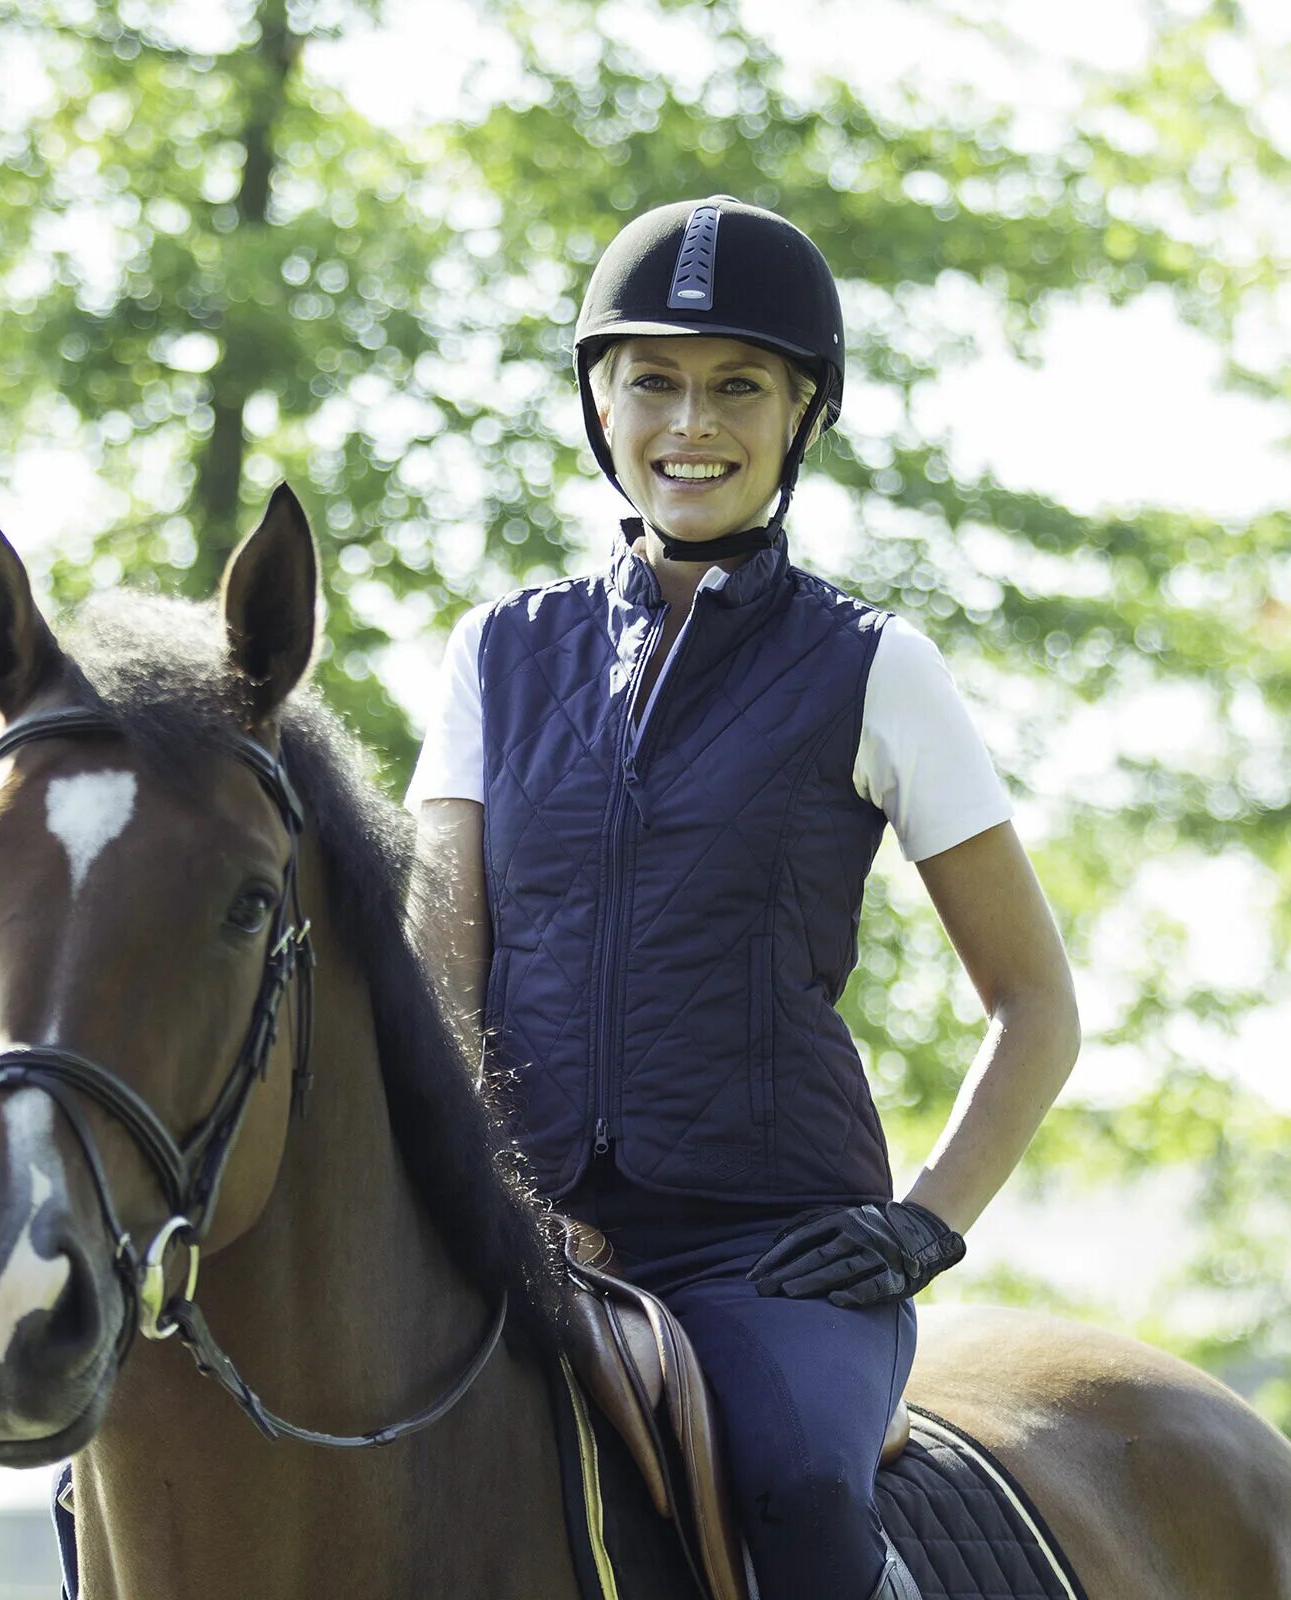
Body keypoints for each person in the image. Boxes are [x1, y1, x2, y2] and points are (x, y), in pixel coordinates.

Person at [407, 196, 1080, 1600]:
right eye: (652, 380)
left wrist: (925, 1221)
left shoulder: (879, 667)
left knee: (798, 1485)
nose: (689, 423)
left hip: (768, 1258)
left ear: (799, 418)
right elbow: (435, 983)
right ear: (601, 404)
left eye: (738, 388)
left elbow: (1035, 1008)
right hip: (513, 1232)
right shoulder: (492, 656)